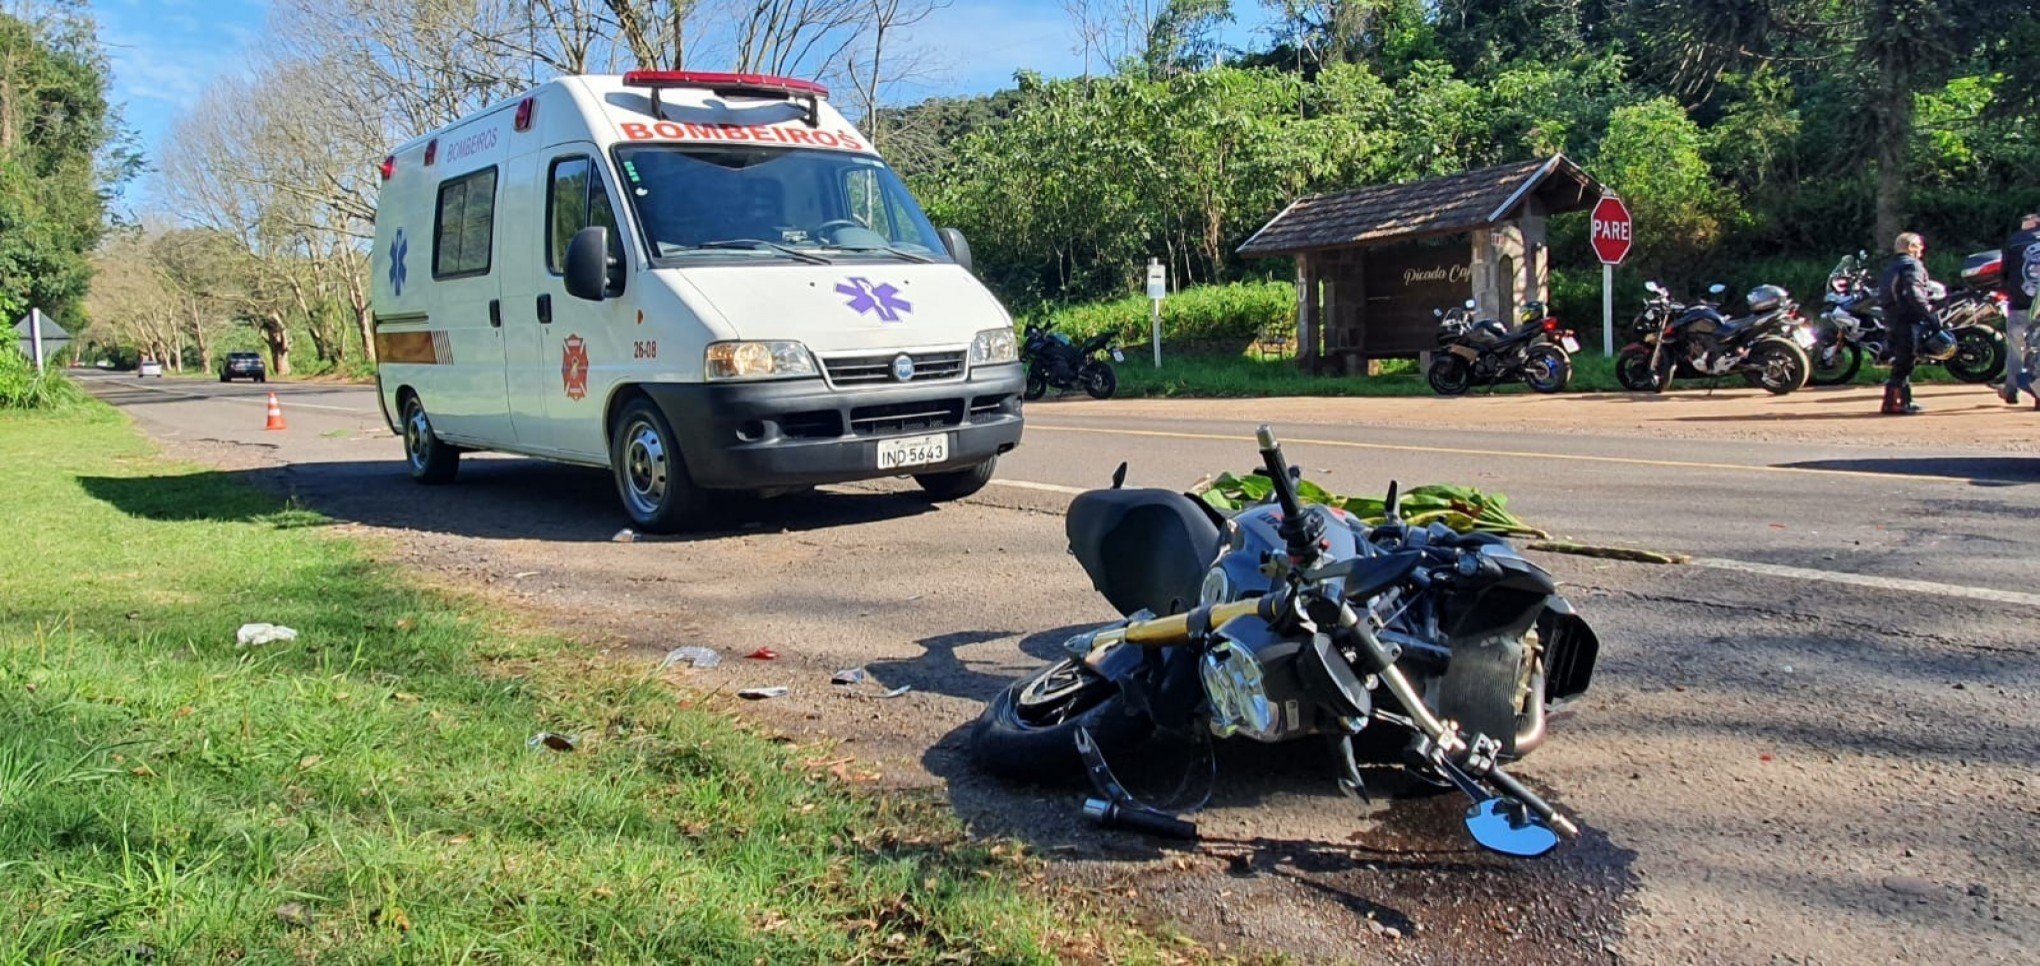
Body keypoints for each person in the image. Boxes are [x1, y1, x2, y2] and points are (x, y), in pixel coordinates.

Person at [1878, 232, 1936, 415]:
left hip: (1892, 318)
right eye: (1919, 246)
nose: (1922, 249)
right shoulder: (1912, 265)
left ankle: (1901, 400)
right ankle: (1895, 403)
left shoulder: (1891, 267)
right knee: (1905, 362)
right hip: (1907, 319)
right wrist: (1928, 315)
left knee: (1902, 361)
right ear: (1910, 247)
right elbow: (1914, 292)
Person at [2000, 212, 2040, 409]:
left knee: (2016, 347)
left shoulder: (2016, 240)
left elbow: (2004, 272)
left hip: (2020, 303)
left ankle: (2011, 388)